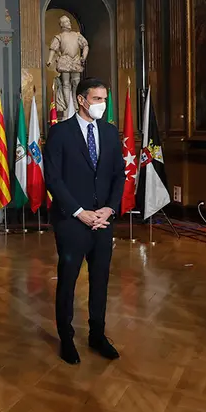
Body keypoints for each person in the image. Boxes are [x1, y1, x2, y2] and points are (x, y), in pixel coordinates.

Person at [44, 78, 126, 364]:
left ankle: (97, 335)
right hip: (71, 220)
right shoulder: (60, 132)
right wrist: (79, 211)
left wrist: (109, 209)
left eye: (104, 99)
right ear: (81, 100)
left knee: (100, 279)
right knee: (68, 280)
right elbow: (53, 178)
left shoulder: (110, 132)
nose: (102, 104)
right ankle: (66, 339)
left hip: (103, 219)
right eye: (96, 99)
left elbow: (119, 175)